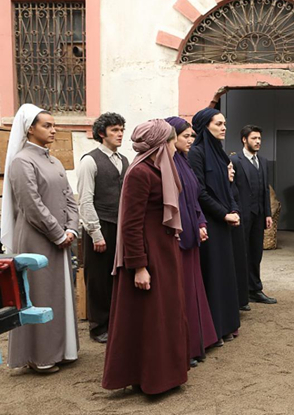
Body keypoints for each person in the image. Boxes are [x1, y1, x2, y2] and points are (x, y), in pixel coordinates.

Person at [102, 119, 190, 394]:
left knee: (165, 315)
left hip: (164, 254)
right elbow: (130, 224)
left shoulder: (158, 169)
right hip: (148, 258)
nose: (175, 145)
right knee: (150, 319)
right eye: (171, 140)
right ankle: (151, 378)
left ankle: (167, 375)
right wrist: (139, 266)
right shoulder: (140, 173)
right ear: (160, 144)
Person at [1, 104, 79, 373]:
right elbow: (31, 205)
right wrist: (58, 234)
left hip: (60, 239)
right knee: (41, 293)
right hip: (36, 240)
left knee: (60, 294)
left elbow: (70, 198)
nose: (53, 129)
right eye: (47, 125)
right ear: (30, 129)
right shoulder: (22, 161)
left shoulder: (54, 161)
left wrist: (71, 228)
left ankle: (62, 349)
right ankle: (39, 356)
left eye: (54, 124)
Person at [166, 116, 218, 367]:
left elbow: (193, 197)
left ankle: (197, 342)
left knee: (193, 289)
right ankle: (185, 346)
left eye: (191, 136)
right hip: (177, 237)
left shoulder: (183, 161)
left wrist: (201, 223)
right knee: (182, 291)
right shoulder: (167, 164)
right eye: (185, 136)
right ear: (171, 136)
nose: (190, 140)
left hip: (191, 233)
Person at [188, 108, 242, 343]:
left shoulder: (221, 154)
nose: (223, 128)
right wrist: (223, 214)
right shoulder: (196, 154)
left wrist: (234, 209)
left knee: (226, 274)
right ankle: (212, 330)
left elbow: (228, 187)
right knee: (212, 275)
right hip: (210, 222)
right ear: (205, 126)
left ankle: (227, 325)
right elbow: (200, 191)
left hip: (225, 222)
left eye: (224, 123)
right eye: (218, 123)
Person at [77, 112, 129, 344]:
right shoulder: (90, 160)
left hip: (120, 226)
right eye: (114, 131)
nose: (119, 135)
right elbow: (85, 200)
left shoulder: (124, 160)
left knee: (117, 275)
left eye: (121, 130)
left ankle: (117, 323)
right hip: (100, 227)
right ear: (101, 133)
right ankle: (98, 327)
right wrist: (96, 234)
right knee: (98, 279)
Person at [230, 125, 277, 304]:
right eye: (254, 138)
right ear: (244, 140)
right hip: (241, 215)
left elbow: (265, 189)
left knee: (256, 253)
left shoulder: (263, 161)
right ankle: (240, 293)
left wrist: (267, 214)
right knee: (241, 254)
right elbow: (231, 189)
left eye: (259, 139)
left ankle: (255, 290)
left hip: (258, 215)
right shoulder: (235, 160)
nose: (258, 142)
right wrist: (234, 211)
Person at [228, 160, 251, 311]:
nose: (233, 171)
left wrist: (236, 211)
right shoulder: (222, 186)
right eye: (229, 168)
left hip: (236, 222)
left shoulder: (232, 185)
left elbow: (235, 200)